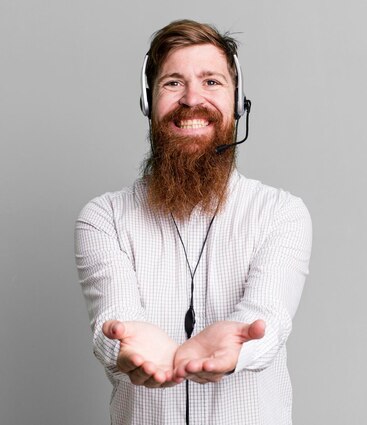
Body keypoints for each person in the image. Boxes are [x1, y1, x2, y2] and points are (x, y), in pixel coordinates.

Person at [75, 19, 312, 425]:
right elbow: (113, 321)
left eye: (211, 82)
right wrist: (123, 345)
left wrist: (240, 345)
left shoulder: (281, 213)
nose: (191, 99)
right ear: (148, 103)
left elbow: (267, 318)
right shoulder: (104, 218)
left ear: (238, 102)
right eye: (172, 83)